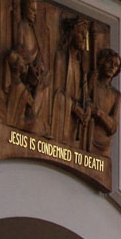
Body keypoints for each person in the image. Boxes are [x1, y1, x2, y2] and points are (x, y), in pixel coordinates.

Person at [3, 0, 48, 132]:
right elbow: (20, 48)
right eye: (32, 10)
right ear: (25, 10)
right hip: (24, 68)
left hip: (33, 69)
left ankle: (33, 113)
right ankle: (27, 112)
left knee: (44, 83)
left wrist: (38, 66)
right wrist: (28, 65)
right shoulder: (21, 26)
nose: (35, 14)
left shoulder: (33, 31)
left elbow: (38, 54)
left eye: (36, 11)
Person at [51, 17, 93, 146]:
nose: (84, 38)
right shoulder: (60, 58)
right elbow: (56, 92)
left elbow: (85, 94)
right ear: (71, 34)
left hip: (75, 123)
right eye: (81, 33)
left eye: (85, 35)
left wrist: (88, 107)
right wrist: (74, 107)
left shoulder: (81, 66)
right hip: (62, 117)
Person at [88, 48, 121, 157]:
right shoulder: (93, 84)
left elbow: (113, 126)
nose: (112, 67)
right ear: (102, 62)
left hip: (103, 143)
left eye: (116, 65)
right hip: (89, 136)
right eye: (109, 62)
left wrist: (99, 113)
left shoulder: (116, 95)